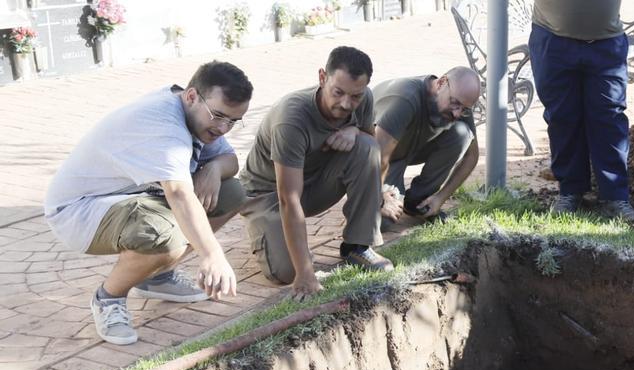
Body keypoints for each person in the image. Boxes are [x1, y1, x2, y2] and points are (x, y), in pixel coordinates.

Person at [44, 61, 252, 345]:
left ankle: (157, 277)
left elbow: (231, 162)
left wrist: (214, 170)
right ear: (192, 96)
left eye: (233, 120)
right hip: (80, 210)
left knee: (231, 193)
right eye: (219, 116)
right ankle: (108, 298)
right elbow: (179, 194)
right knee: (161, 232)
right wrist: (212, 254)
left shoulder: (198, 114)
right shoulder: (164, 126)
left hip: (130, 199)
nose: (224, 127)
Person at [240, 46, 392, 300]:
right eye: (338, 92)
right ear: (322, 77)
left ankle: (358, 245)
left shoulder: (362, 100)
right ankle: (267, 233)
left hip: (313, 182)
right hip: (267, 195)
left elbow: (371, 143)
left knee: (367, 148)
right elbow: (288, 199)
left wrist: (354, 131)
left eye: (355, 96)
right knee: (285, 272)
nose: (346, 104)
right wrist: (305, 272)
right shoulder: (291, 118)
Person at [529, 0, 634, 226]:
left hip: (606, 42)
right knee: (562, 117)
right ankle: (570, 192)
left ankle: (615, 197)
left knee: (609, 118)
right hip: (552, 39)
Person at [373, 67, 482, 222]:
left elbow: (472, 157)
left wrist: (440, 198)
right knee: (380, 219)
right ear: (441, 83)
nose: (457, 113)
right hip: (378, 157)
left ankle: (418, 201)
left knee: (463, 134)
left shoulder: (460, 102)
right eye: (455, 103)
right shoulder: (406, 98)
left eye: (464, 109)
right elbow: (375, 154)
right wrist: (380, 198)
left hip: (408, 148)